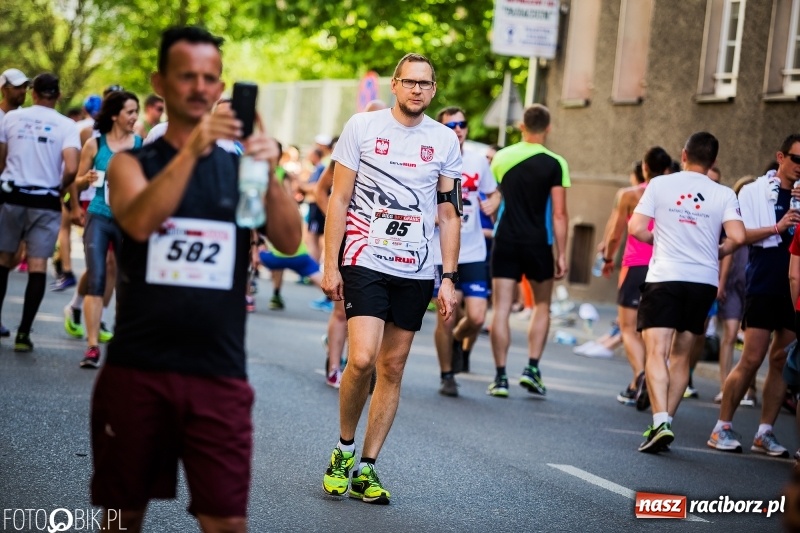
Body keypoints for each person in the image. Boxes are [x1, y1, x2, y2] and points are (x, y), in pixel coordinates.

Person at [90, 26, 301, 532]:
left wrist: (266, 169)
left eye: (210, 78)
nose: (200, 87)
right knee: (122, 520)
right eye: (187, 76)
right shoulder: (129, 165)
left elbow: (290, 240)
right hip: (138, 371)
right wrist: (193, 150)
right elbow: (139, 221)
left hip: (219, 375)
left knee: (227, 523)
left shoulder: (239, 171)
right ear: (159, 82)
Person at [320, 53, 461, 504]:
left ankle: (367, 466)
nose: (418, 90)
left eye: (426, 84)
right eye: (410, 82)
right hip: (364, 256)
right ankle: (344, 449)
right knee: (361, 358)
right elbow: (338, 200)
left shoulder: (444, 141)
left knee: (393, 367)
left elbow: (448, 212)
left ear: (433, 91)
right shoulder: (363, 128)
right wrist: (330, 264)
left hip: (416, 266)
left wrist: (449, 277)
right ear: (396, 85)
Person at [629, 131, 745, 453]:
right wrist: (718, 251)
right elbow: (738, 235)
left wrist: (657, 240)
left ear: (683, 155)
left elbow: (636, 228)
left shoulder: (661, 185)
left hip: (665, 275)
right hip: (702, 281)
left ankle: (660, 420)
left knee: (657, 352)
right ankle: (666, 421)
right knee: (682, 354)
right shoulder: (723, 194)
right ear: (714, 161)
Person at [708, 133, 800, 457]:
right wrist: (779, 226)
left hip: (795, 287)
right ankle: (722, 427)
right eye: (796, 159)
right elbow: (741, 235)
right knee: (752, 358)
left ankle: (765, 432)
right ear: (781, 157)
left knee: (780, 360)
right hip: (764, 282)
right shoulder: (755, 191)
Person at [487, 104, 569, 398]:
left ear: (522, 126)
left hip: (506, 239)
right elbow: (559, 214)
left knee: (501, 308)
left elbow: (496, 196)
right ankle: (532, 369)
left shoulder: (501, 157)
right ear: (548, 128)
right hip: (539, 242)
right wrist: (562, 253)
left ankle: (500, 377)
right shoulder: (555, 163)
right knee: (543, 306)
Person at [0, 73, 80, 351]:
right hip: (45, 200)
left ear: (34, 94)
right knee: (37, 266)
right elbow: (71, 167)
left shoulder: (11, 118)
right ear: (57, 96)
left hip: (12, 195)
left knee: (4, 259)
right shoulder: (67, 125)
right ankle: (23, 334)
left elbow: (2, 156)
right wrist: (59, 188)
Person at [314, 99, 388, 387]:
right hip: (349, 239)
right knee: (341, 309)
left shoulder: (391, 150)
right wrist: (338, 219)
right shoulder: (348, 147)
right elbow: (321, 191)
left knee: (372, 311)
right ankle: (334, 365)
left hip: (381, 243)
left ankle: (362, 364)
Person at [431, 106, 500, 397]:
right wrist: (430, 214)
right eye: (451, 125)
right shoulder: (431, 158)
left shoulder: (477, 160)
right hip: (441, 251)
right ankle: (448, 374)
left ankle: (458, 341)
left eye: (462, 124)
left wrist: (494, 202)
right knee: (448, 314)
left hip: (473, 250)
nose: (458, 129)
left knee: (477, 317)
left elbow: (494, 191)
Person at [71, 91, 142, 368]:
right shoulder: (94, 144)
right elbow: (75, 183)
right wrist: (84, 179)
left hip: (128, 221)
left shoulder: (140, 144)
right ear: (115, 115)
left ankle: (124, 341)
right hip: (99, 216)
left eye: (136, 111)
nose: (135, 117)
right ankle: (92, 347)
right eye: (130, 112)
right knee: (98, 277)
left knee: (127, 282)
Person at [600, 147, 672, 404]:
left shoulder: (629, 195)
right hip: (664, 268)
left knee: (628, 329)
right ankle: (639, 384)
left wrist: (608, 259)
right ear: (667, 170)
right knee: (649, 331)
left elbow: (616, 233)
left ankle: (641, 376)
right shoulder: (673, 196)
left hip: (635, 265)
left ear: (644, 167)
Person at [0, 67, 30, 338]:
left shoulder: (23, 120)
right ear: (4, 88)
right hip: (3, 194)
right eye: (18, 86)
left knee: (11, 257)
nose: (23, 91)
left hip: (14, 197)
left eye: (25, 87)